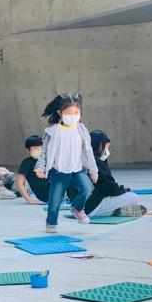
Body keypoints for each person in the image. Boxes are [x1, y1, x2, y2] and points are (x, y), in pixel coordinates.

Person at [35, 93, 97, 233]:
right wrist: (40, 167)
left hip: (77, 169)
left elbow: (89, 152)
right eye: (69, 113)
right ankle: (51, 223)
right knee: (55, 201)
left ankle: (77, 208)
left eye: (76, 112)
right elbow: (44, 152)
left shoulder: (82, 130)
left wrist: (94, 171)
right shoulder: (53, 131)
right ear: (60, 113)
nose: (73, 116)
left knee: (88, 189)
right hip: (59, 171)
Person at [71, 131, 145, 217]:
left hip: (77, 207)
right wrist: (123, 190)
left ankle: (115, 211)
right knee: (133, 197)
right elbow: (111, 189)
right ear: (100, 146)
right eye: (106, 147)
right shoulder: (96, 162)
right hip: (92, 208)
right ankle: (115, 211)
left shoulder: (80, 159)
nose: (107, 150)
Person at [16, 135, 50, 204]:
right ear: (28, 150)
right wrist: (29, 200)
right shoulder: (27, 162)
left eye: (41, 148)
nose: (39, 150)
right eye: (35, 148)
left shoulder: (48, 160)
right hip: (44, 193)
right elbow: (19, 183)